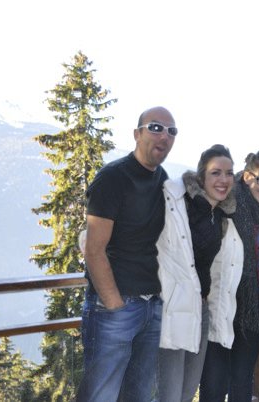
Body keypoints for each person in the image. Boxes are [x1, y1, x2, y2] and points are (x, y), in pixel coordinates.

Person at [77, 106, 176, 401]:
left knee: (139, 395)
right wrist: (114, 304)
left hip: (151, 306)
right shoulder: (112, 178)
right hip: (116, 309)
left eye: (172, 131)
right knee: (100, 395)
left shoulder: (163, 179)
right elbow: (94, 249)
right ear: (137, 134)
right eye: (155, 127)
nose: (164, 136)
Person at [156, 144, 242, 402]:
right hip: (172, 308)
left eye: (229, 173)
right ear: (202, 176)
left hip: (201, 310)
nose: (223, 179)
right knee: (169, 394)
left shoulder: (222, 216)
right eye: (216, 173)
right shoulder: (179, 205)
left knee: (186, 391)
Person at [199, 150, 259, 402]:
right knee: (214, 383)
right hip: (222, 307)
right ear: (247, 176)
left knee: (242, 380)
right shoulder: (225, 204)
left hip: (255, 311)